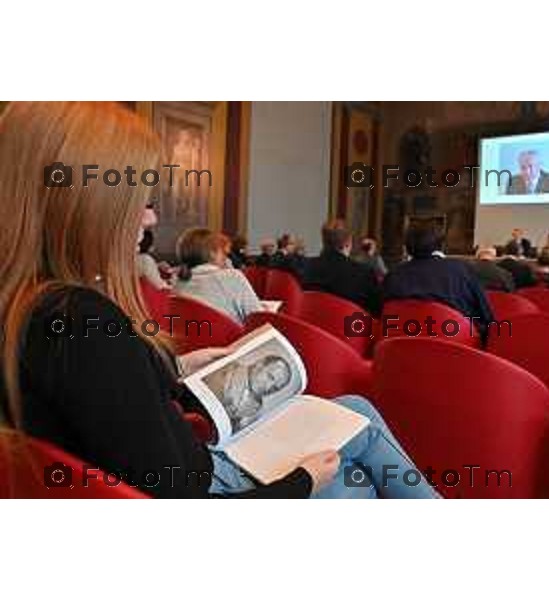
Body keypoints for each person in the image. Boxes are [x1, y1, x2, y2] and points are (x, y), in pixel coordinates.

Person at [0, 102, 438, 499]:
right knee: (353, 482)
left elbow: (103, 401)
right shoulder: (81, 320)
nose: (151, 217)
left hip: (173, 472)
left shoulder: (33, 306)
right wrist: (302, 482)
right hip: (208, 486)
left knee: (356, 417)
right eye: (141, 200)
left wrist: (175, 369)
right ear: (88, 205)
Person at [384, 225, 494, 338]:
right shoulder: (462, 270)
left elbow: (380, 316)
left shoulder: (393, 275)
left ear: (406, 248)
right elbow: (487, 317)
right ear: (440, 245)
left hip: (399, 348)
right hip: (458, 349)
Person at [175, 228, 263, 324]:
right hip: (232, 338)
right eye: (223, 253)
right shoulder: (232, 277)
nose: (226, 258)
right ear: (212, 253)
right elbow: (258, 318)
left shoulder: (178, 282)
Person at [303, 219, 381, 315]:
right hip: (349, 328)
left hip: (312, 325)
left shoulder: (306, 266)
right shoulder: (364, 274)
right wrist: (370, 258)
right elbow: (377, 311)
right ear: (348, 242)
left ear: (323, 241)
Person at [205, 355, 292, 434]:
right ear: (259, 364)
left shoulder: (255, 410)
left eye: (275, 388)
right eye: (270, 377)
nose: (268, 387)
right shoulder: (226, 367)